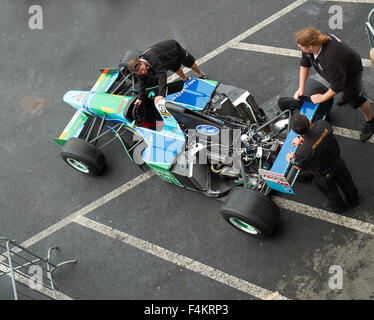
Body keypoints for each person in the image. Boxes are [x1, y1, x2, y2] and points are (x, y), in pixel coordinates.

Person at [294, 27, 374, 142]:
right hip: (340, 73)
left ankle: (370, 121)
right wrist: (301, 88)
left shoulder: (332, 59)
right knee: (345, 91)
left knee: (358, 99)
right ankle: (348, 95)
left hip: (351, 75)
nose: (299, 48)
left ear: (310, 47)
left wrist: (323, 97)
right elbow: (304, 64)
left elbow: (337, 86)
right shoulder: (313, 42)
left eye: (301, 46)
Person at [286, 112, 359, 213]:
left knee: (331, 192)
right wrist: (303, 139)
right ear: (309, 122)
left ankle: (340, 207)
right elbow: (316, 138)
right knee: (347, 183)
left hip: (323, 173)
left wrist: (290, 158)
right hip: (337, 162)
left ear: (298, 133)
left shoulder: (302, 152)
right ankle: (354, 201)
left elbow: (299, 167)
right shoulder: (323, 124)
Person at [127, 39, 207, 107]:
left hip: (173, 48)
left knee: (189, 62)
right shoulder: (139, 70)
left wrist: (161, 94)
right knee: (175, 68)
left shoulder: (152, 58)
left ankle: (200, 74)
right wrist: (140, 98)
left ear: (141, 62)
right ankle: (185, 79)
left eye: (142, 69)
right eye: (140, 72)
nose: (143, 72)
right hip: (165, 60)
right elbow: (142, 83)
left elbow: (162, 75)